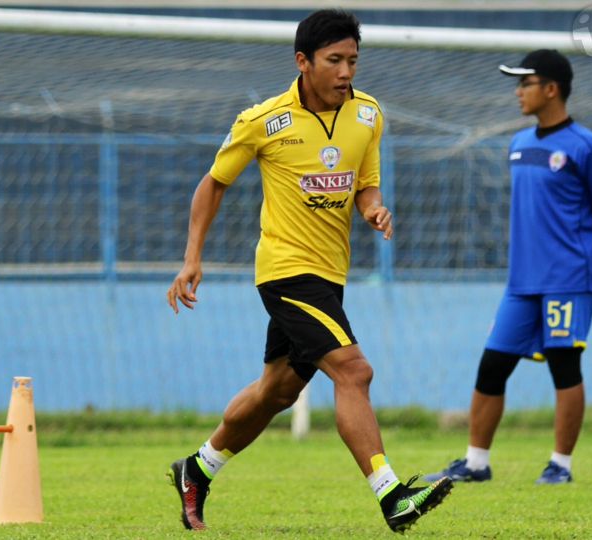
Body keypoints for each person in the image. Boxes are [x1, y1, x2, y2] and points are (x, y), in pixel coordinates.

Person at [165, 9, 452, 533]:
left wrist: (372, 208)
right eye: (335, 60)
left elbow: (366, 182)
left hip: (330, 276)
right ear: (303, 62)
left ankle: (198, 468)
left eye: (353, 61)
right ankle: (392, 495)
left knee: (276, 391)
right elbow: (213, 184)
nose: (346, 72)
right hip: (285, 272)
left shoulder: (368, 115)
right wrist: (192, 257)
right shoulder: (263, 121)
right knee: (354, 370)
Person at [425, 49, 592, 486]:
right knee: (493, 365)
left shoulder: (587, 147)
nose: (517, 92)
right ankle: (476, 463)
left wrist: (572, 254)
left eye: (525, 83)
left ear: (551, 89)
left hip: (570, 278)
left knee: (563, 364)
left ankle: (560, 467)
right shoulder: (519, 145)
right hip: (522, 281)